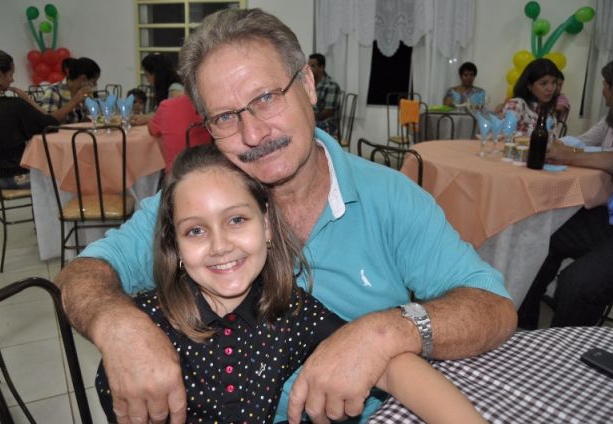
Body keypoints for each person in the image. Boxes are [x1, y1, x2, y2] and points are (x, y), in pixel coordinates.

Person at [56, 8, 516, 424]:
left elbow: (493, 308)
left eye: (266, 97)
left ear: (308, 85)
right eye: (225, 117)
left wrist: (384, 332)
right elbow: (84, 274)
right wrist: (119, 326)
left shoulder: (390, 198)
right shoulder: (201, 206)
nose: (254, 133)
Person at [95, 144, 486, 423]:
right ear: (175, 245)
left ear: (266, 225)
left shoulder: (288, 309)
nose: (220, 245)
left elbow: (393, 367)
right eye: (195, 230)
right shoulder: (142, 333)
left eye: (236, 220)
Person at [518, 61, 613, 329]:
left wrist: (568, 155)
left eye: (606, 85)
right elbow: (585, 141)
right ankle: (524, 323)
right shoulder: (610, 119)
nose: (602, 91)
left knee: (576, 283)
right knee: (542, 234)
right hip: (607, 219)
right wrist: (565, 149)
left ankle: (563, 347)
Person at [0, 48, 58, 189]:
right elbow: (52, 126)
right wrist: (30, 101)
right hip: (19, 176)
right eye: (11, 74)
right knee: (67, 178)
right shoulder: (15, 106)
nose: (12, 79)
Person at [148, 94, 210, 173]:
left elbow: (151, 130)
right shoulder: (210, 104)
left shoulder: (166, 106)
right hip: (212, 169)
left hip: (175, 174)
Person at [501, 58, 559, 135]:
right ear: (529, 85)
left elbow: (553, 140)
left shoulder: (550, 113)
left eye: (554, 82)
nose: (550, 88)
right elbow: (504, 136)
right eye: (544, 83)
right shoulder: (517, 105)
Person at [40, 56, 100, 123]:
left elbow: (88, 118)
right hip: (59, 130)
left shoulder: (85, 94)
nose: (94, 85)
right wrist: (74, 101)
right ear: (84, 78)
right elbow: (47, 121)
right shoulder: (54, 91)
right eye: (93, 81)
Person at [131, 53, 184, 126]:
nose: (147, 80)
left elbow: (171, 116)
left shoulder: (175, 90)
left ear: (156, 74)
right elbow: (159, 112)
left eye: (147, 76)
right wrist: (143, 117)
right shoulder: (165, 89)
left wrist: (147, 118)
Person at [308, 53, 341, 136]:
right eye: (308, 66)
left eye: (312, 66)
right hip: (315, 122)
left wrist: (308, 117)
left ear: (321, 68)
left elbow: (327, 113)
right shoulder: (310, 84)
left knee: (301, 127)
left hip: (328, 125)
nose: (309, 69)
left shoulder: (331, 85)